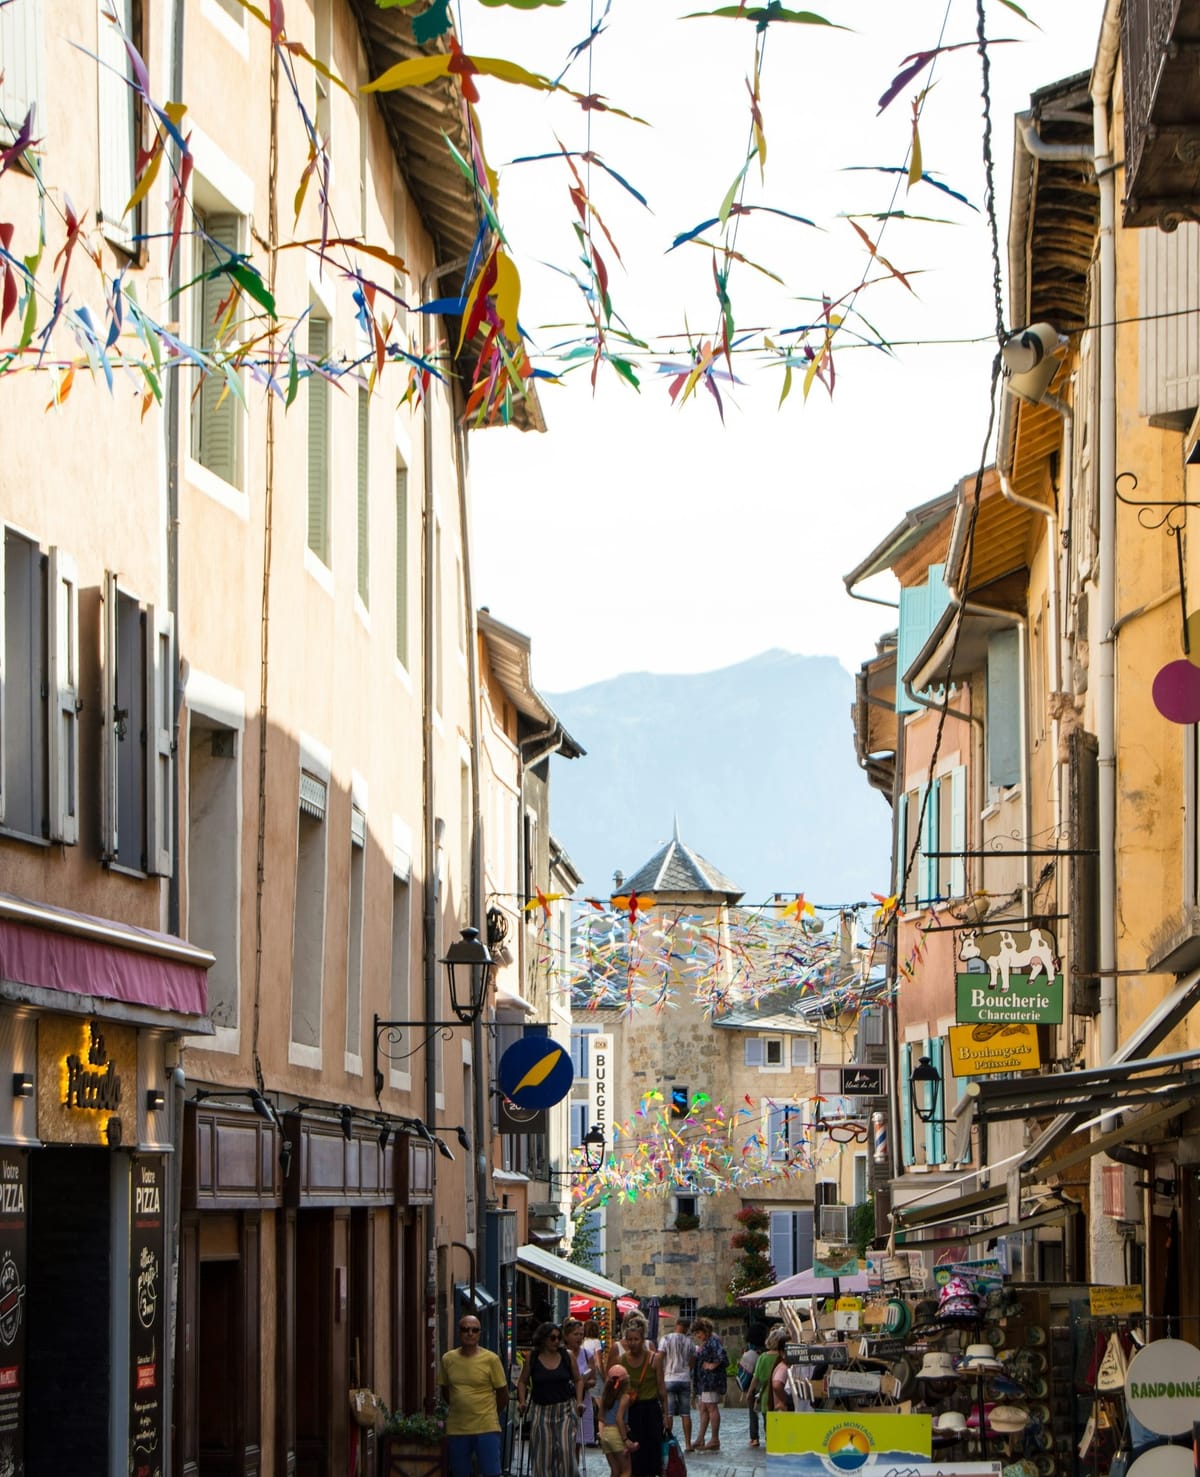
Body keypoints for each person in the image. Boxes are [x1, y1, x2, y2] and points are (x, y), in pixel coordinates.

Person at [440, 1315, 509, 1477]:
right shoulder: (448, 1359)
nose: (470, 1333)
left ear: (479, 1334)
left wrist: (490, 1413)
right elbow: (445, 1389)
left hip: (486, 1427)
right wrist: (459, 1407)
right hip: (457, 1428)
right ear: (459, 1333)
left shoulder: (491, 1359)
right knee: (460, 1473)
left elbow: (503, 1394)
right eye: (465, 1329)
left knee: (491, 1473)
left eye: (474, 1330)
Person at [517, 1322, 586, 1477]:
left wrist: (580, 1401)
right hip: (541, 1410)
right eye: (552, 1338)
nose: (556, 1341)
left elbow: (578, 1379)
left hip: (565, 1409)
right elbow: (522, 1381)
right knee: (544, 1455)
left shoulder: (566, 1355)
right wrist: (522, 1401)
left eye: (558, 1338)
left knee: (566, 1451)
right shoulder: (533, 1357)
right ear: (543, 1339)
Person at [605, 1314, 667, 1477]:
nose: (632, 1343)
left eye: (636, 1339)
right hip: (631, 1411)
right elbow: (614, 1387)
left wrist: (667, 1414)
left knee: (653, 1452)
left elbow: (661, 1388)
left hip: (651, 1409)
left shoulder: (654, 1359)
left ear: (642, 1339)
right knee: (634, 1455)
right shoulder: (622, 1360)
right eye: (629, 1340)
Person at [657, 1317, 696, 1451]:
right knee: (686, 1413)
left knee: (669, 1413)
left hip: (669, 1378)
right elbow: (692, 1361)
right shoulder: (689, 1342)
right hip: (684, 1379)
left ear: (676, 1325)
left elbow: (659, 1358)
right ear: (687, 1328)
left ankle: (668, 1441)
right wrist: (686, 1370)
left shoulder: (666, 1339)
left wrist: (661, 1373)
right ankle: (688, 1444)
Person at [690, 1318, 727, 1452]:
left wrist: (712, 1365)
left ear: (705, 1330)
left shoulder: (713, 1341)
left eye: (698, 1332)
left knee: (711, 1407)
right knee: (704, 1408)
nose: (697, 1336)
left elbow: (722, 1356)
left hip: (711, 1381)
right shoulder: (707, 1342)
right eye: (695, 1333)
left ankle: (714, 1439)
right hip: (704, 1382)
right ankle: (701, 1438)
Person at [748, 1326, 785, 1450]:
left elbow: (756, 1377)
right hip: (780, 1396)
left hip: (766, 1397)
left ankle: (770, 1442)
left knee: (767, 1424)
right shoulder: (783, 1358)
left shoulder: (763, 1357)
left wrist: (749, 1392)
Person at [563, 1318, 597, 1448]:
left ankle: (575, 1467)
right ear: (566, 1336)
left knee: (577, 1441)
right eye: (575, 1334)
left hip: (582, 1398)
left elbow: (593, 1379)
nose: (579, 1338)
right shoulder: (561, 1354)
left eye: (581, 1334)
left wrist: (585, 1383)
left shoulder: (587, 1354)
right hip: (565, 1398)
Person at [597, 1364, 635, 1477]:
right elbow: (619, 1419)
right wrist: (625, 1439)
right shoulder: (625, 1397)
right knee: (626, 1471)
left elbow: (600, 1417)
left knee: (615, 1471)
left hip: (606, 1435)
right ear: (625, 1381)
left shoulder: (605, 1396)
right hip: (617, 1434)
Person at [739, 1324, 767, 1448]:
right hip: (765, 1385)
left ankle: (754, 1438)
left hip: (752, 1384)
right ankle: (769, 1435)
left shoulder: (748, 1349)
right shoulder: (767, 1349)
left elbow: (744, 1370)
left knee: (752, 1412)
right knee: (766, 1412)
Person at [583, 1319, 605, 1441]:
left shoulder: (583, 1342)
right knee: (601, 1405)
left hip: (584, 1373)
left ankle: (588, 1433)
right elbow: (598, 1362)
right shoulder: (596, 1342)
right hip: (594, 1374)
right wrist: (604, 1377)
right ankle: (602, 1433)